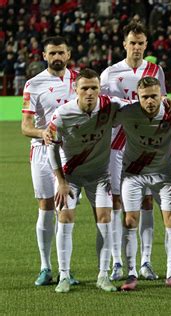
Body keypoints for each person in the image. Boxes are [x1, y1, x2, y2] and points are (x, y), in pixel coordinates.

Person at [47, 68, 128, 293]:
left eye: (94, 88)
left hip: (99, 175)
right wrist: (61, 181)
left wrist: (163, 100)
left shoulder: (109, 105)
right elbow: (51, 150)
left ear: (99, 89)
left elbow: (134, 105)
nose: (90, 92)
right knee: (65, 217)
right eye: (85, 88)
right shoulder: (63, 114)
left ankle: (103, 275)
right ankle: (64, 275)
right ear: (76, 90)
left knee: (105, 218)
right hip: (70, 175)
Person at [100, 20, 167, 281]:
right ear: (124, 44)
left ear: (145, 45)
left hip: (147, 146)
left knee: (146, 201)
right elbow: (104, 109)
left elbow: (160, 107)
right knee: (118, 202)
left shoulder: (155, 70)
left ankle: (146, 262)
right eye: (132, 43)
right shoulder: (109, 73)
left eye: (141, 43)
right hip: (118, 146)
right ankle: (118, 262)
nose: (136, 47)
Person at [116, 77, 171, 290]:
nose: (150, 101)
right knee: (130, 220)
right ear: (137, 97)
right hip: (133, 174)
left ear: (162, 96)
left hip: (164, 174)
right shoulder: (127, 113)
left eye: (154, 96)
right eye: (145, 97)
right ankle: (131, 274)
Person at [21, 36, 79, 287]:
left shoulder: (80, 81)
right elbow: (25, 127)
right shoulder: (33, 84)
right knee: (45, 207)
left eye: (61, 53)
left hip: (71, 152)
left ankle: (65, 270)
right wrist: (41, 133)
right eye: (52, 53)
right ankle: (46, 267)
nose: (57, 57)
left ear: (68, 54)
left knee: (65, 210)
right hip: (42, 151)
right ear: (44, 56)